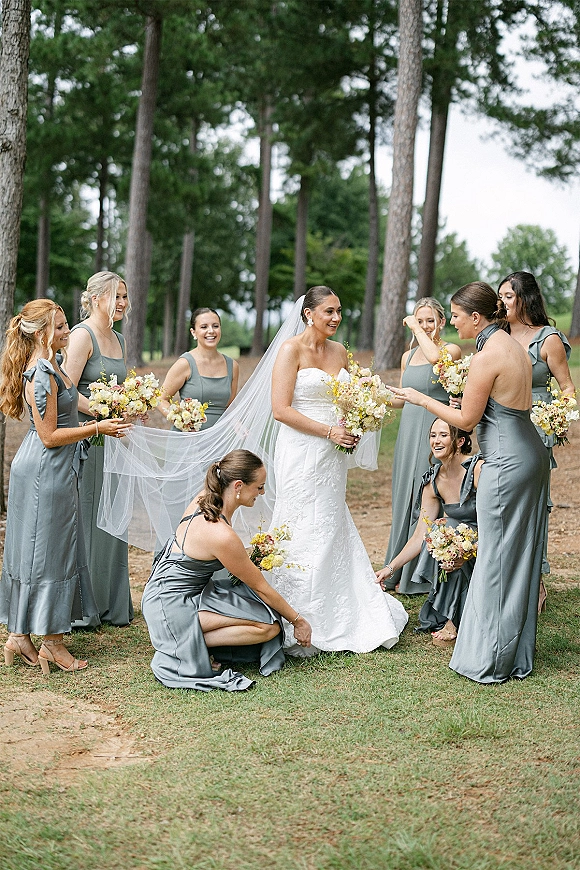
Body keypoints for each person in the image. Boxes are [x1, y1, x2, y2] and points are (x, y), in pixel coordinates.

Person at [388, 281, 550, 684]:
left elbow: (464, 422)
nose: (453, 322)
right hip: (530, 452)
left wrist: (419, 398)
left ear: (476, 317)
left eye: (456, 316)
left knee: (496, 557)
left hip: (506, 461)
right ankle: (510, 650)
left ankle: (489, 656)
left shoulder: (486, 355)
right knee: (518, 556)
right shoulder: (510, 344)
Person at [269, 285, 408, 655]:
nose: (336, 318)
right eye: (328, 311)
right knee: (300, 522)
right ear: (308, 314)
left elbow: (361, 392)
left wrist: (375, 412)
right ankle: (292, 611)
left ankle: (335, 607)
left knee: (329, 520)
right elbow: (280, 409)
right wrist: (329, 429)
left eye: (339, 311)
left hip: (333, 455)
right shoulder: (290, 351)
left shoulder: (339, 352)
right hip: (300, 449)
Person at [0, 300, 131, 673]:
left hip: (52, 469)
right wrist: (97, 428)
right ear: (42, 333)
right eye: (60, 327)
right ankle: (53, 644)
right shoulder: (41, 374)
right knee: (52, 552)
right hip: (45, 472)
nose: (68, 332)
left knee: (40, 550)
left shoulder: (52, 365)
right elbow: (50, 436)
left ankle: (20, 637)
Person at [141, 450, 312, 691]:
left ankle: (186, 640)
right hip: (171, 604)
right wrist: (298, 620)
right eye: (260, 487)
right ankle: (179, 641)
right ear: (239, 485)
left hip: (179, 592)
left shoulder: (204, 498)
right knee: (268, 627)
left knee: (261, 615)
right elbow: (260, 587)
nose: (262, 493)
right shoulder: (221, 534)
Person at [498, 271, 576, 611]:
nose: (501, 303)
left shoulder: (548, 339)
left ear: (525, 299)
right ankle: (499, 576)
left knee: (531, 506)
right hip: (499, 426)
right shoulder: (496, 335)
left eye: (508, 296)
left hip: (534, 431)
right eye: (499, 296)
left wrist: (558, 417)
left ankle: (535, 581)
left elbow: (568, 389)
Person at [376, 419, 482, 647]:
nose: (436, 440)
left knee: (450, 526)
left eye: (443, 435)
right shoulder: (433, 480)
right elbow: (418, 537)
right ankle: (456, 615)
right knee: (441, 532)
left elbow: (498, 523)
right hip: (458, 551)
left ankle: (456, 619)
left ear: (460, 440)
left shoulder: (478, 469)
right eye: (433, 435)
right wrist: (390, 568)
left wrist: (468, 549)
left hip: (488, 545)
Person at [66, 271, 133, 628]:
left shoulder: (119, 339)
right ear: (94, 298)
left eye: (124, 296)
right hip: (89, 438)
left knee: (113, 517)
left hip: (116, 440)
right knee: (89, 516)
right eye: (116, 296)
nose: (122, 303)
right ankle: (83, 605)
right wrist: (103, 411)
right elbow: (66, 392)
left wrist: (131, 405)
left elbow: (120, 387)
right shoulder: (81, 336)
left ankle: (111, 601)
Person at [383, 298, 462, 594]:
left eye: (431, 320)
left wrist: (415, 327)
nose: (426, 326)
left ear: (442, 322)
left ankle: (422, 574)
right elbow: (401, 399)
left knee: (427, 494)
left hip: (436, 433)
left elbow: (435, 362)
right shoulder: (407, 357)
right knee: (405, 494)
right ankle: (397, 570)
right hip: (408, 432)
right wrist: (371, 394)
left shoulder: (449, 351)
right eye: (420, 319)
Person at [158, 307, 239, 430]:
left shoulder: (232, 366)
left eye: (215, 326)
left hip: (220, 440)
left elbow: (229, 406)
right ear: (193, 332)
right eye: (204, 327)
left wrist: (238, 425)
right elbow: (161, 399)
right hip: (188, 440)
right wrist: (180, 421)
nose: (211, 331)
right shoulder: (185, 363)